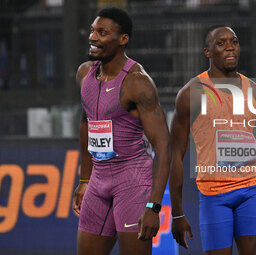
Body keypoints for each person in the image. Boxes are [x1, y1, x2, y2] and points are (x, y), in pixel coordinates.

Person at [169, 25, 256, 255]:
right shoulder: (191, 94)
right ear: (207, 52)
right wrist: (177, 212)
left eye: (234, 42)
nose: (230, 48)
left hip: (250, 190)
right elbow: (175, 154)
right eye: (221, 43)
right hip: (213, 194)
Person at [72, 7, 170, 255]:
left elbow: (163, 146)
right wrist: (85, 180)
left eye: (102, 32)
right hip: (98, 181)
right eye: (93, 30)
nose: (93, 37)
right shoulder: (84, 74)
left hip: (132, 180)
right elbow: (87, 121)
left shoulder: (138, 82)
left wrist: (154, 206)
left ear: (123, 39)